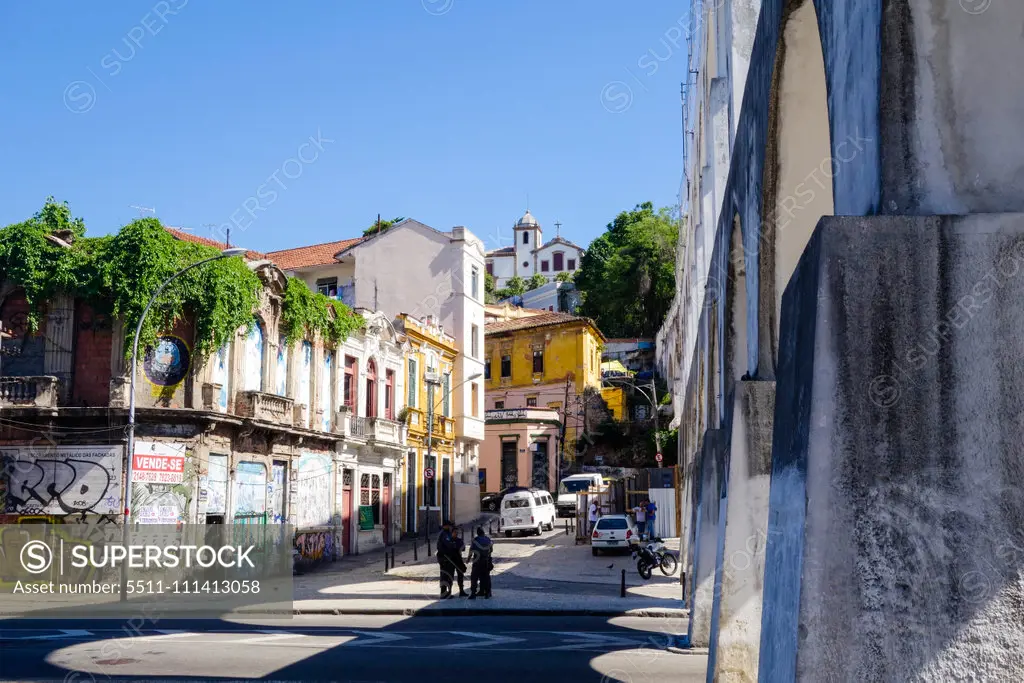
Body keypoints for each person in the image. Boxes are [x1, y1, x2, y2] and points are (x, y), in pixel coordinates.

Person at [467, 526, 494, 599]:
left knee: (474, 577)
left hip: (477, 561)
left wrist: (468, 559)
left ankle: (473, 593)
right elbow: (491, 550)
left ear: (477, 533)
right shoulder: (488, 539)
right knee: (486, 577)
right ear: (483, 532)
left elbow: (471, 551)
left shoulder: (475, 540)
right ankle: (487, 593)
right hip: (486, 561)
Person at [436, 520, 459, 598]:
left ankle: (448, 593)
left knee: (449, 575)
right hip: (445, 558)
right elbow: (449, 545)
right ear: (445, 526)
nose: (450, 527)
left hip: (449, 558)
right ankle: (443, 593)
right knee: (445, 575)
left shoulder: (448, 533)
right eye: (449, 526)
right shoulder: (444, 534)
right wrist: (455, 545)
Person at [451, 526, 469, 597]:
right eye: (455, 532)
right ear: (452, 533)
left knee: (460, 575)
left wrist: (458, 548)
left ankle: (461, 591)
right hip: (451, 560)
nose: (456, 534)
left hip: (458, 559)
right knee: (450, 576)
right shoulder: (449, 540)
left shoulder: (459, 540)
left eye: (457, 532)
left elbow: (463, 548)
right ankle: (449, 592)